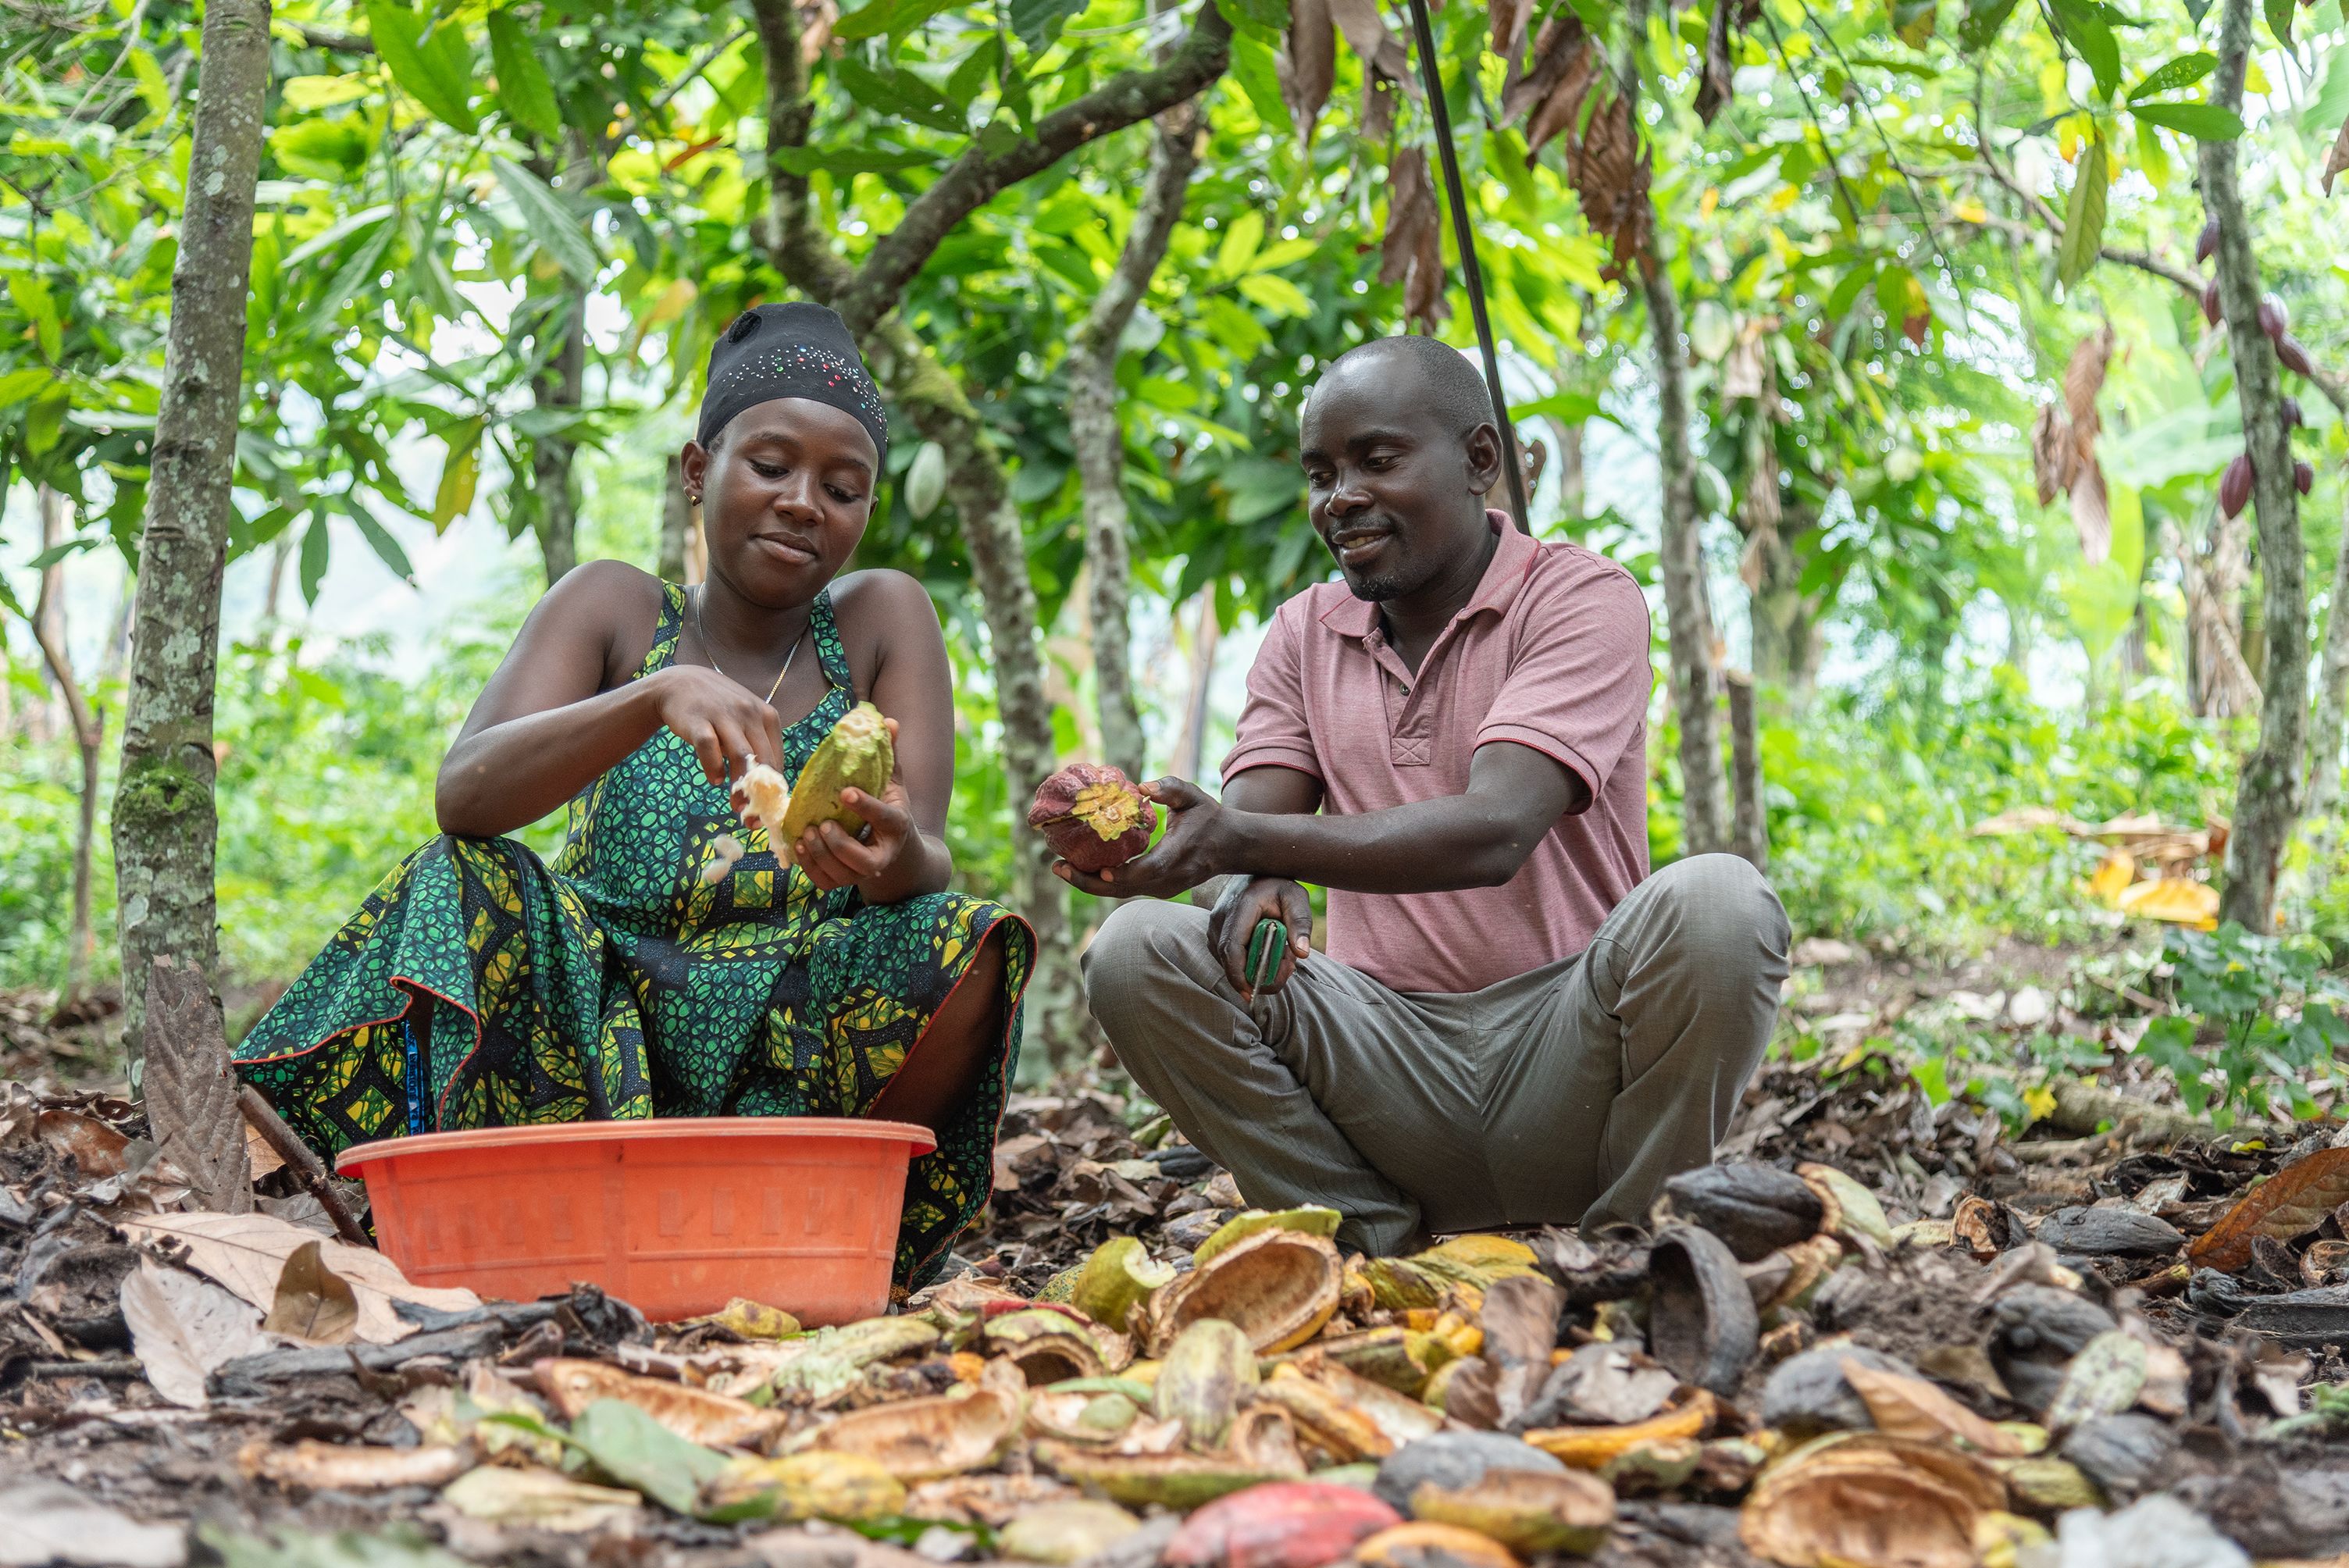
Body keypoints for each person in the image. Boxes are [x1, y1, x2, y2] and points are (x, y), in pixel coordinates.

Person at [233, 303, 1032, 1293]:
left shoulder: (878, 617)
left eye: (842, 486)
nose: (801, 503)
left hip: (790, 1019)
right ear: (699, 473)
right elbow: (464, 793)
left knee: (969, 936)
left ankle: (818, 1217)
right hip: (591, 1018)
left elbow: (929, 853)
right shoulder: (616, 606)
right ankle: (499, 1205)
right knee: (460, 877)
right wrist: (652, 696)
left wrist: (891, 856)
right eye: (770, 466)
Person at [1063, 335, 1789, 1256]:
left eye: (1376, 459)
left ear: (1480, 460)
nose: (1341, 498)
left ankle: (1634, 1247)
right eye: (1321, 472)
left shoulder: (1579, 597)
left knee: (1719, 901)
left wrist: (1247, 847)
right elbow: (1253, 830)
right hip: (1382, 1070)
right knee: (1133, 949)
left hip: (1570, 1056)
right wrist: (1241, 879)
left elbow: (1495, 829)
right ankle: (1362, 1236)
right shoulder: (1301, 633)